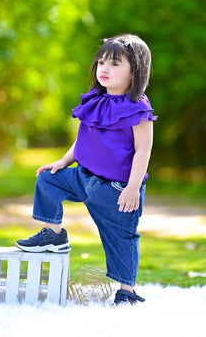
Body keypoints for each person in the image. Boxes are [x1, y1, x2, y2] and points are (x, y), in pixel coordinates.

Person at [16, 34, 158, 306]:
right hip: (83, 177)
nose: (104, 69)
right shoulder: (95, 99)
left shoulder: (137, 106)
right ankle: (54, 234)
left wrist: (132, 188)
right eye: (101, 62)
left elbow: (143, 150)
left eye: (114, 64)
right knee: (48, 179)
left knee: (122, 237)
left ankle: (127, 291)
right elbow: (83, 138)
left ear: (135, 70)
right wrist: (62, 162)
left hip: (116, 189)